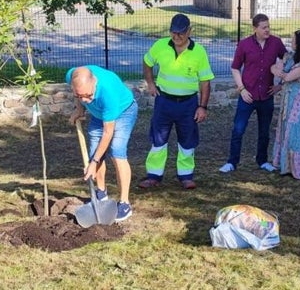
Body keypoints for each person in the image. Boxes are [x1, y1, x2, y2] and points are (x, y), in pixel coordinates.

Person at [138, 13, 214, 190]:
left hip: (188, 104)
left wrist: (202, 107)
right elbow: (147, 62)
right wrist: (150, 83)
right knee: (158, 140)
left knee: (187, 141)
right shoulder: (160, 46)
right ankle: (154, 175)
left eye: (180, 33)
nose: (176, 37)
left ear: (189, 31)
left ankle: (186, 176)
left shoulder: (199, 52)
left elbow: (205, 81)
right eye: (173, 32)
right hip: (164, 101)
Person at [67, 65, 138, 222]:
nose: (85, 100)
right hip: (99, 114)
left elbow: (108, 133)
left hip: (123, 111)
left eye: (88, 95)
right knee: (94, 151)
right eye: (80, 95)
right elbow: (79, 97)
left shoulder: (108, 92)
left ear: (95, 83)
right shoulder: (72, 75)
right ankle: (101, 194)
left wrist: (94, 163)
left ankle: (125, 204)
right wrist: (79, 109)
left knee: (117, 152)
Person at [219, 14, 287, 173]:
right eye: (264, 27)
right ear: (254, 28)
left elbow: (287, 60)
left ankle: (262, 161)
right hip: (247, 95)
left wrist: (280, 85)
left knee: (264, 131)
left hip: (267, 95)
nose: (267, 30)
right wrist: (241, 89)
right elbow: (235, 68)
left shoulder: (276, 43)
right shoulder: (244, 45)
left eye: (268, 26)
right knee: (238, 129)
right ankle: (232, 162)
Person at [270, 29, 300, 179]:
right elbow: (275, 67)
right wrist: (278, 70)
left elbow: (287, 76)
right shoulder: (291, 57)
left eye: (293, 40)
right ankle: (285, 166)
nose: (291, 42)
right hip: (288, 99)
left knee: (295, 130)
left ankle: (299, 168)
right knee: (285, 127)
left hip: (299, 100)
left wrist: (279, 71)